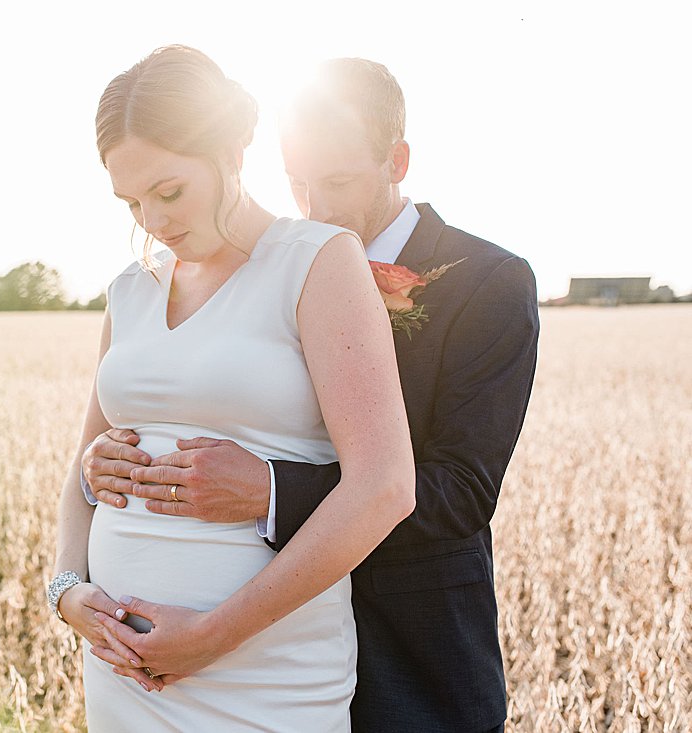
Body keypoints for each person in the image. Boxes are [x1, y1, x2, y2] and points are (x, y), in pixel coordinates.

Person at [83, 58, 540, 732]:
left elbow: (461, 489)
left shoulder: (489, 282)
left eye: (338, 181)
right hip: (233, 647)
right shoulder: (271, 265)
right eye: (298, 182)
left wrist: (271, 490)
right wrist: (109, 458)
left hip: (404, 642)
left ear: (397, 160)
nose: (318, 205)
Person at [48, 46, 415, 731]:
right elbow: (84, 472)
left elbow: (384, 485)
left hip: (265, 677)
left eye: (170, 191)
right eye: (131, 201)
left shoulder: (317, 262)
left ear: (231, 148)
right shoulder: (129, 290)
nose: (153, 221)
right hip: (123, 676)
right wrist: (69, 591)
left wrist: (214, 633)